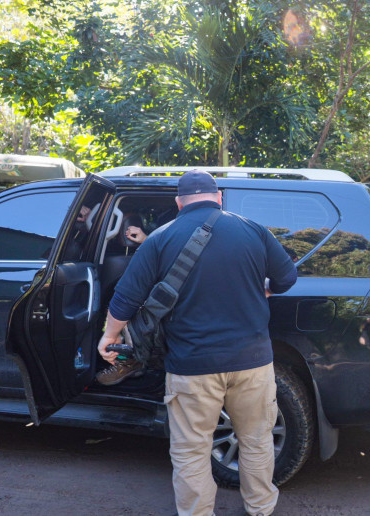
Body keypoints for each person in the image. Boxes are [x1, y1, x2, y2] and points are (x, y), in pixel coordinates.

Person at [97, 171, 297, 516]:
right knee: (256, 441)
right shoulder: (253, 229)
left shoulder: (160, 238)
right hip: (253, 363)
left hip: (192, 366)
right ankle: (261, 508)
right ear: (219, 198)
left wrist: (109, 335)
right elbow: (287, 277)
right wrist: (266, 288)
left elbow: (126, 298)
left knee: (191, 451)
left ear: (179, 203)